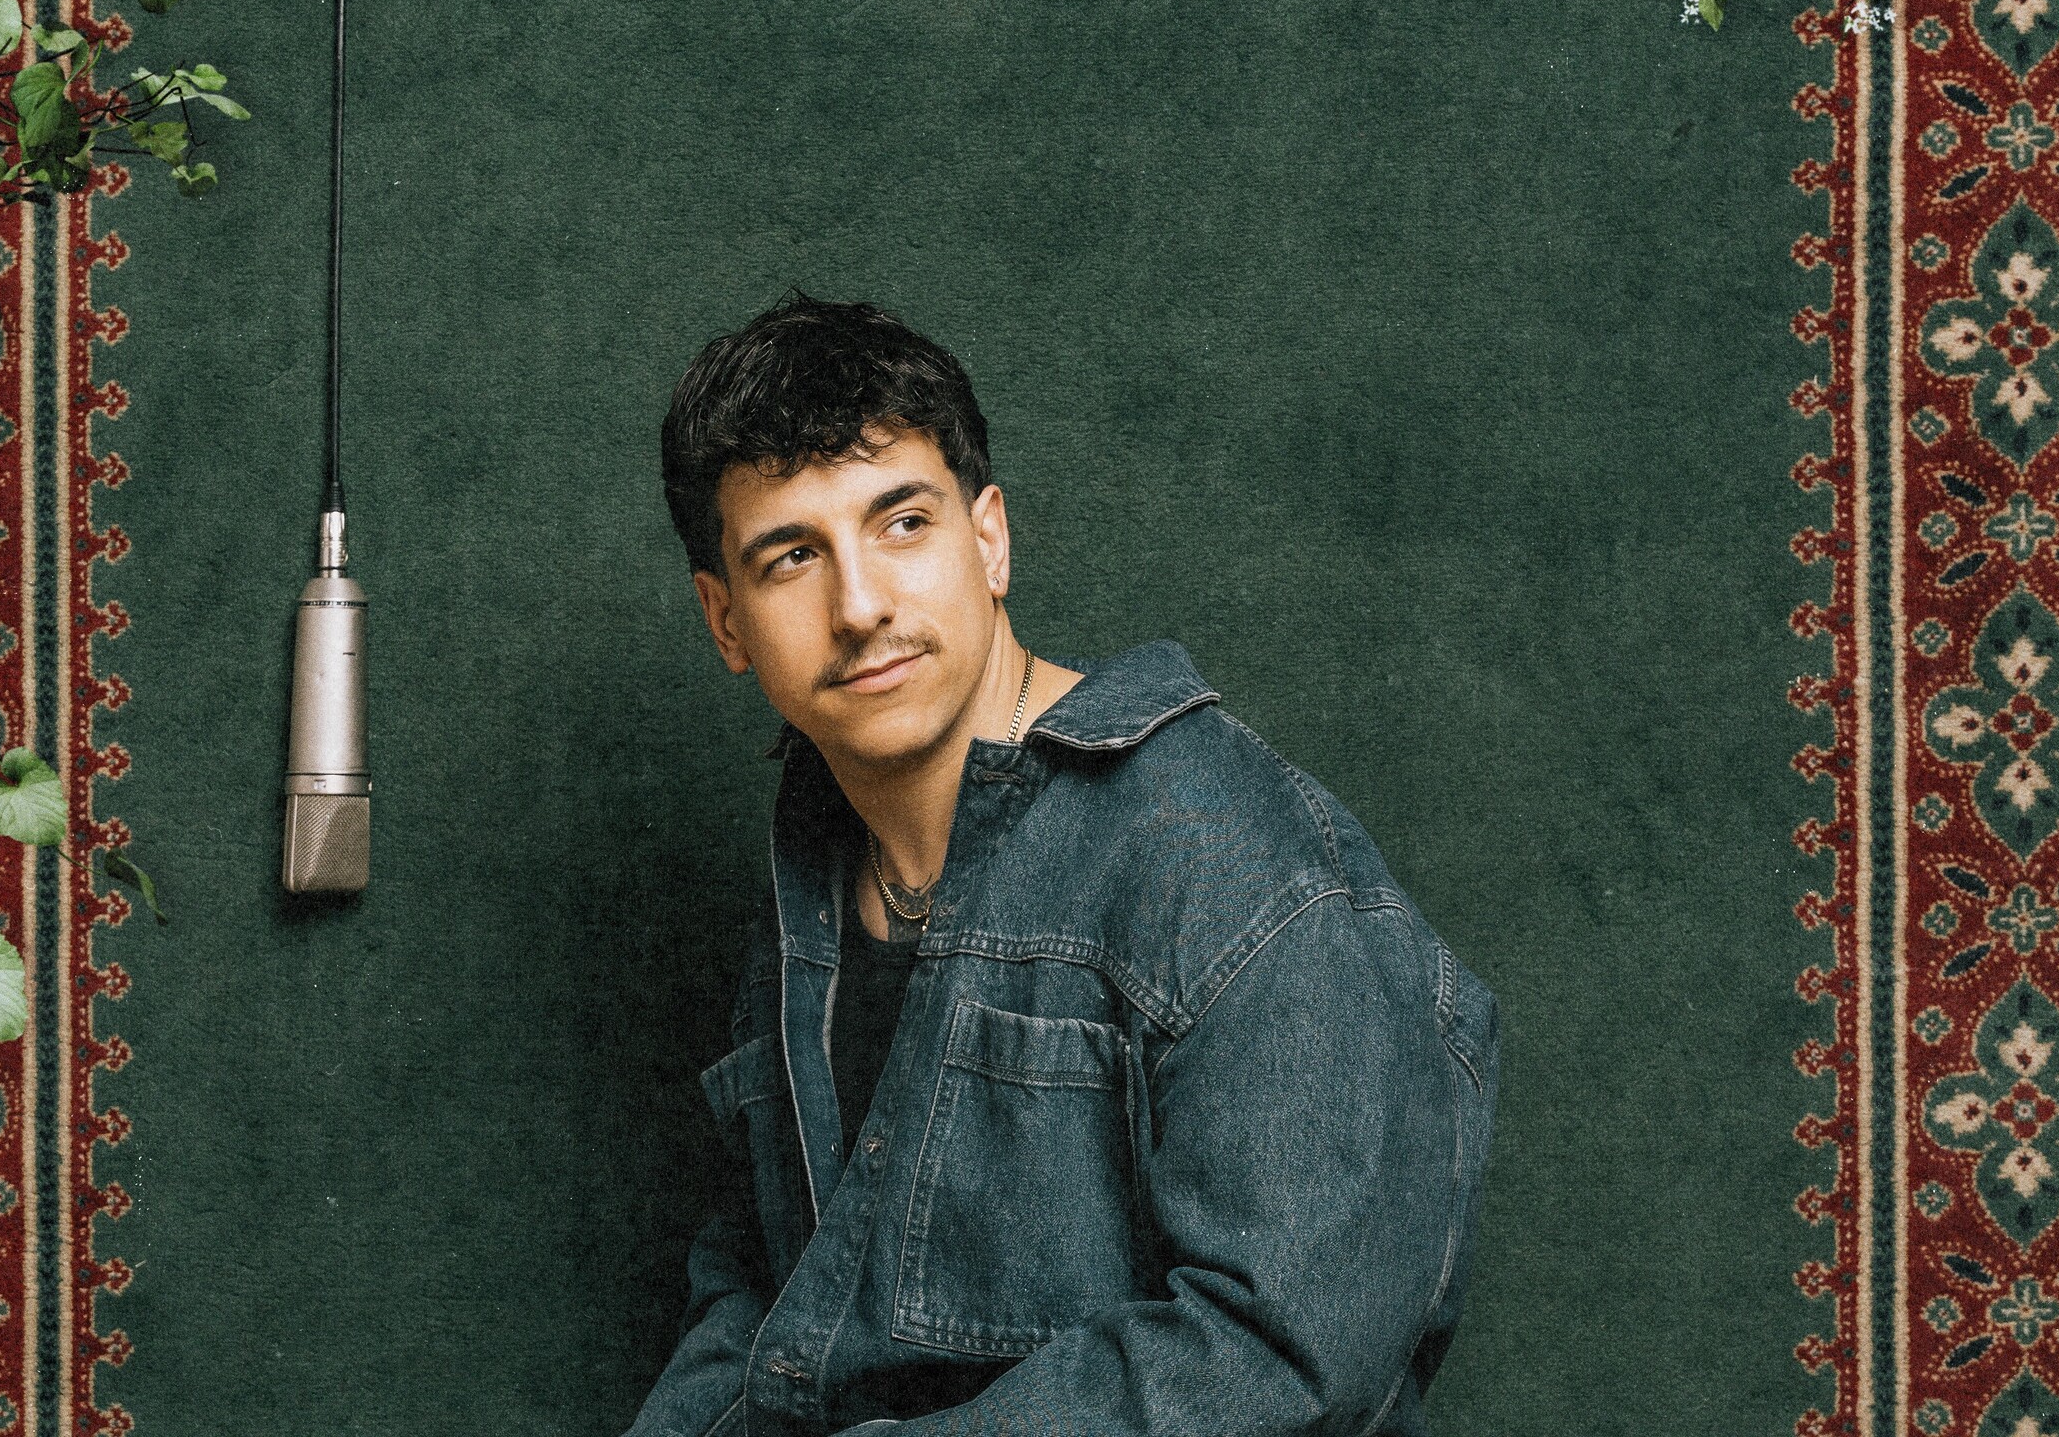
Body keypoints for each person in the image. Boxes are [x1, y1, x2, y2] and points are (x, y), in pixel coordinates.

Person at [628, 289, 1498, 1437]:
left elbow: (1289, 1350)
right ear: (725, 620)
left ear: (988, 538)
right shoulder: (816, 885)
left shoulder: (1222, 858)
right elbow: (774, 1308)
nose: (860, 605)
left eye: (902, 523)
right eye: (792, 556)